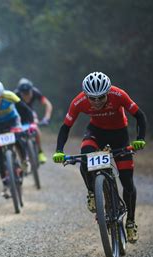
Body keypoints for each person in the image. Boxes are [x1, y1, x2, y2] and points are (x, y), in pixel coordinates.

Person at [52, 72, 147, 243]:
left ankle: (131, 222)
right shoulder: (79, 101)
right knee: (85, 157)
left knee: (127, 183)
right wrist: (59, 150)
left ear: (108, 92)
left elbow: (139, 116)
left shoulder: (119, 95)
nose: (96, 102)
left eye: (101, 97)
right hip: (96, 133)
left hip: (119, 136)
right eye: (92, 98)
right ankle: (92, 192)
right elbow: (66, 127)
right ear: (86, 95)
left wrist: (140, 139)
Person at [14, 78, 54, 164]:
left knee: (36, 129)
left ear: (31, 90)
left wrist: (46, 118)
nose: (26, 96)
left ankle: (40, 152)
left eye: (28, 93)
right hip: (18, 116)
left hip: (30, 114)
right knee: (16, 137)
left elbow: (48, 104)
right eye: (23, 94)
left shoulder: (36, 92)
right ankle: (22, 159)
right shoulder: (15, 95)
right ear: (20, 92)